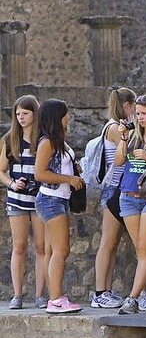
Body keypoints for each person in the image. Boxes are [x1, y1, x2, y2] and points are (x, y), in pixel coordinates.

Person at [116, 94, 146, 315]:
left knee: (145, 250)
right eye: (137, 114)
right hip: (128, 196)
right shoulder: (133, 136)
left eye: (144, 114)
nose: (140, 118)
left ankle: (133, 298)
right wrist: (124, 138)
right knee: (141, 251)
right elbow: (118, 161)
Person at [34, 99, 83, 314]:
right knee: (61, 250)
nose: (69, 117)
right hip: (51, 199)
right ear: (57, 117)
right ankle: (55, 299)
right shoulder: (47, 142)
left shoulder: (59, 141)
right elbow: (40, 173)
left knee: (54, 251)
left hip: (59, 199)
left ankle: (54, 297)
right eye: (65, 114)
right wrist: (68, 179)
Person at [0, 95, 48, 309]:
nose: (21, 117)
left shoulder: (43, 139)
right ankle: (17, 294)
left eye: (25, 113)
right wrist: (11, 184)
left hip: (39, 198)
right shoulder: (10, 139)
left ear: (34, 114)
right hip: (17, 199)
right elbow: (1, 171)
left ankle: (40, 294)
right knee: (19, 247)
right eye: (18, 114)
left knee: (41, 247)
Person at [91, 87, 136, 309]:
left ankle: (107, 290)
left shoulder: (113, 126)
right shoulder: (114, 129)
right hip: (112, 188)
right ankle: (100, 292)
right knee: (107, 242)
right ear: (128, 106)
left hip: (117, 188)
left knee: (113, 242)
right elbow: (126, 152)